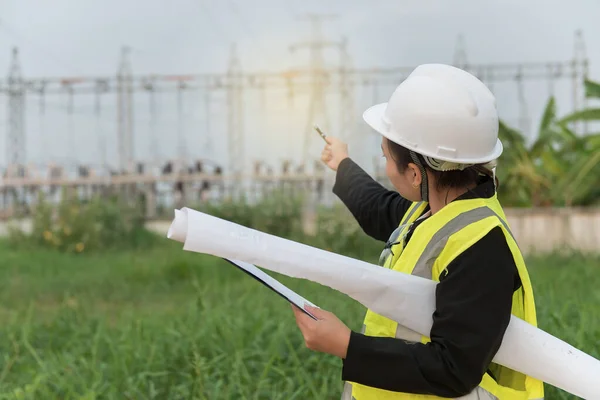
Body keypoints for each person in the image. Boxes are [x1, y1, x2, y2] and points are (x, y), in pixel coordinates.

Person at [291, 64, 544, 400]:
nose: (385, 167)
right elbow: (377, 207)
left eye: (385, 157)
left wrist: (346, 345)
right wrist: (343, 163)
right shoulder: (429, 211)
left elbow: (454, 367)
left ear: (414, 173)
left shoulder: (482, 247)